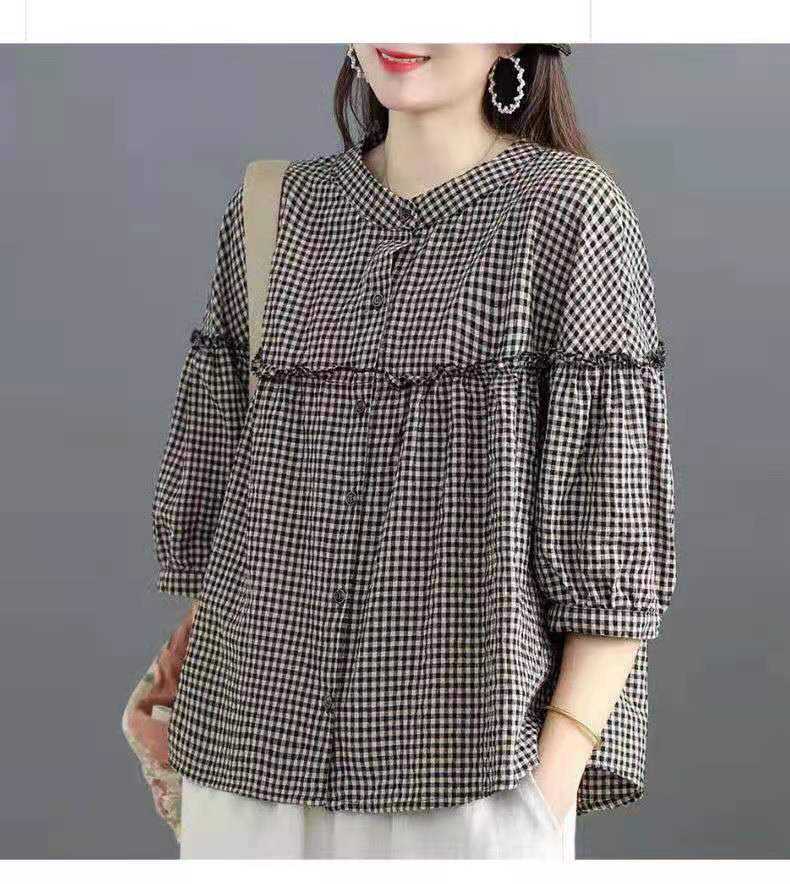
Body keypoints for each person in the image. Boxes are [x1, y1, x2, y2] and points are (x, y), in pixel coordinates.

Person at [151, 43, 677, 860]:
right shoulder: (274, 209)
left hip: (468, 780)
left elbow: (613, 535)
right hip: (243, 771)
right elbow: (227, 515)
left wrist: (545, 793)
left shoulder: (570, 213)